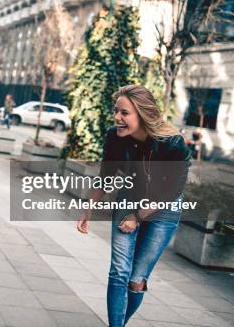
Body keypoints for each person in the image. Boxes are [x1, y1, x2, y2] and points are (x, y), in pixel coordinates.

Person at [76, 85, 190, 327]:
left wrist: (138, 216)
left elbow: (172, 191)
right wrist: (88, 210)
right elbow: (106, 175)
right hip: (129, 198)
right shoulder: (115, 137)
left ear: (143, 113)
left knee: (136, 280)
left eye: (124, 113)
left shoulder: (173, 143)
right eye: (116, 111)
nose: (117, 117)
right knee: (119, 272)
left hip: (165, 207)